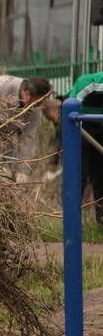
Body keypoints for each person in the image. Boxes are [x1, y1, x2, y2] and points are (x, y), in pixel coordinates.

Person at [55, 72, 103, 225]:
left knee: (101, 173)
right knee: (78, 172)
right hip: (76, 120)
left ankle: (101, 220)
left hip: (99, 121)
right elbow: (71, 109)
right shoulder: (89, 83)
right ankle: (70, 222)